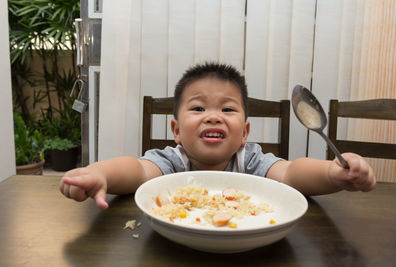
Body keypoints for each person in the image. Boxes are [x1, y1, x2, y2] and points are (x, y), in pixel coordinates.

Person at [60, 62, 376, 209]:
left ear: (245, 133)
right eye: (198, 109)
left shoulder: (249, 160)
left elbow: (292, 173)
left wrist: (334, 173)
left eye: (227, 110)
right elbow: (136, 170)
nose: (213, 116)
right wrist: (98, 172)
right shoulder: (172, 161)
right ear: (176, 131)